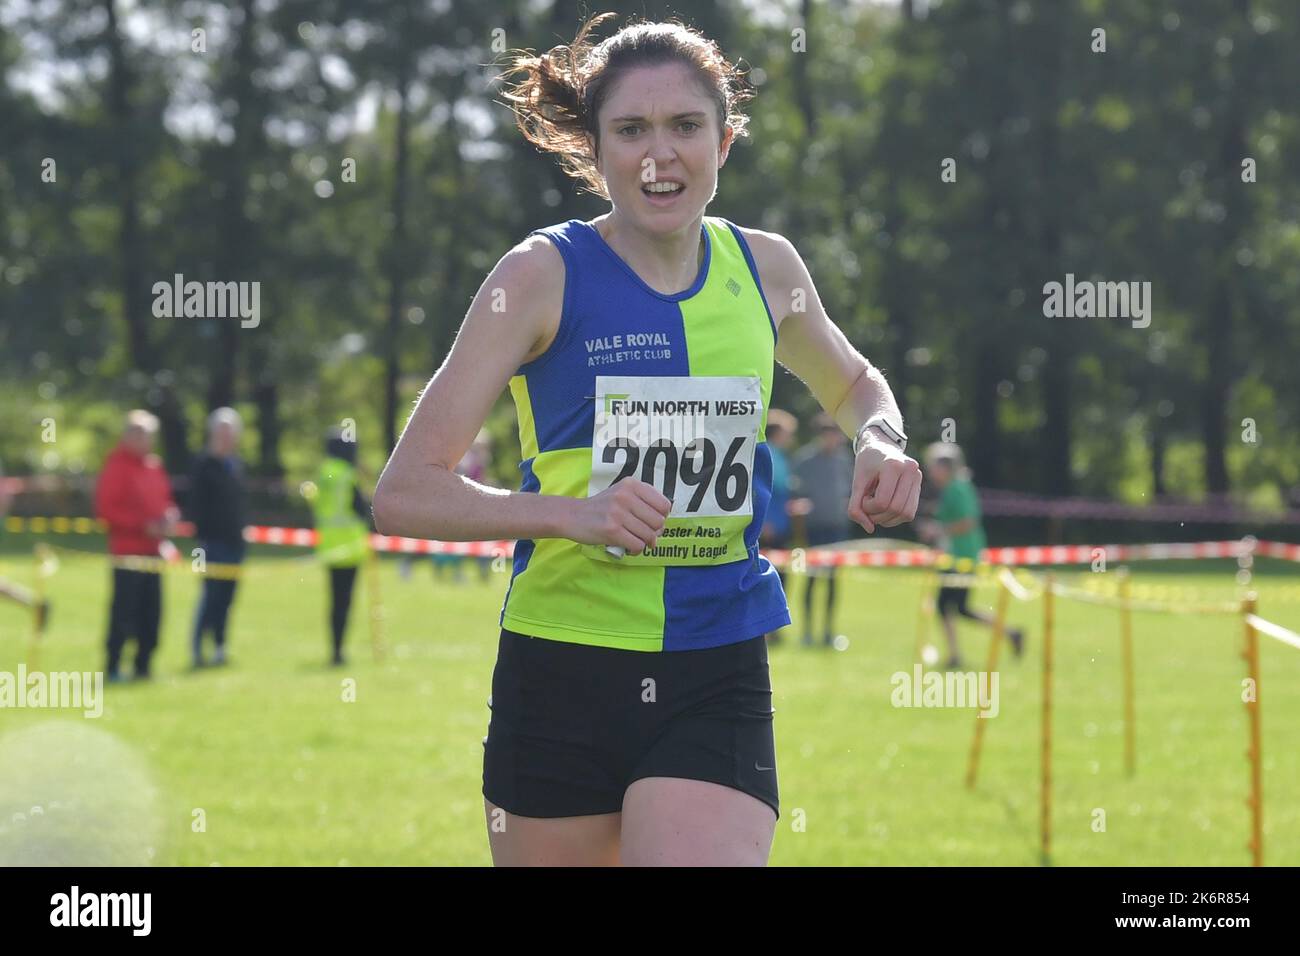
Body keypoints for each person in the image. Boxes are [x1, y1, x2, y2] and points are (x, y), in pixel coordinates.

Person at [373, 13, 921, 867]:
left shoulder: (767, 270)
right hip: (560, 669)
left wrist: (880, 439)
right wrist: (571, 515)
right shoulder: (537, 276)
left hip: (716, 663)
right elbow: (406, 491)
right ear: (594, 151)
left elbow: (855, 385)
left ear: (725, 142)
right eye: (629, 129)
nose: (657, 153)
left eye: (684, 126)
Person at [920, 442, 1023, 669]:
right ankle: (1008, 633)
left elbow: (968, 522)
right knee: (957, 607)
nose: (930, 471)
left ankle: (959, 653)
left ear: (946, 467)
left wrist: (939, 530)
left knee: (949, 606)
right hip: (956, 556)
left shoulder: (958, 488)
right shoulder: (953, 488)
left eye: (934, 466)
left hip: (962, 557)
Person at [95, 410, 179, 681]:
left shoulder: (154, 466)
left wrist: (169, 516)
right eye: (138, 434)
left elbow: (165, 500)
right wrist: (141, 525)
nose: (144, 441)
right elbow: (106, 510)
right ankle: (114, 665)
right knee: (124, 611)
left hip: (153, 552)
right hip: (127, 552)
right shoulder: (116, 466)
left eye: (148, 435)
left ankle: (144, 666)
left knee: (151, 612)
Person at [186, 407, 247, 668]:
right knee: (210, 596)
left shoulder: (235, 465)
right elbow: (195, 508)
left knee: (227, 598)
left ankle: (220, 646)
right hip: (211, 544)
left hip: (235, 543)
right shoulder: (203, 465)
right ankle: (198, 649)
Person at [789, 412, 856, 648]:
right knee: (811, 580)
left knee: (832, 582)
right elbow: (794, 493)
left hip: (837, 529)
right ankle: (807, 632)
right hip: (813, 529)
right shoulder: (804, 461)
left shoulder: (844, 460)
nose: (833, 440)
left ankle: (828, 632)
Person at [309, 429, 370, 667]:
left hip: (329, 546)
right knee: (344, 602)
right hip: (349, 548)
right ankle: (338, 651)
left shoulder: (324, 474)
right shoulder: (347, 474)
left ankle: (334, 648)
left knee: (334, 601)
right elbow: (361, 509)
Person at [760, 410, 796, 644]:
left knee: (782, 576)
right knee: (769, 577)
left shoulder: (781, 456)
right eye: (787, 433)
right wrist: (765, 523)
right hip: (770, 527)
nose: (790, 437)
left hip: (781, 525)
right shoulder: (768, 454)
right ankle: (764, 628)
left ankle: (773, 627)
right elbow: (763, 491)